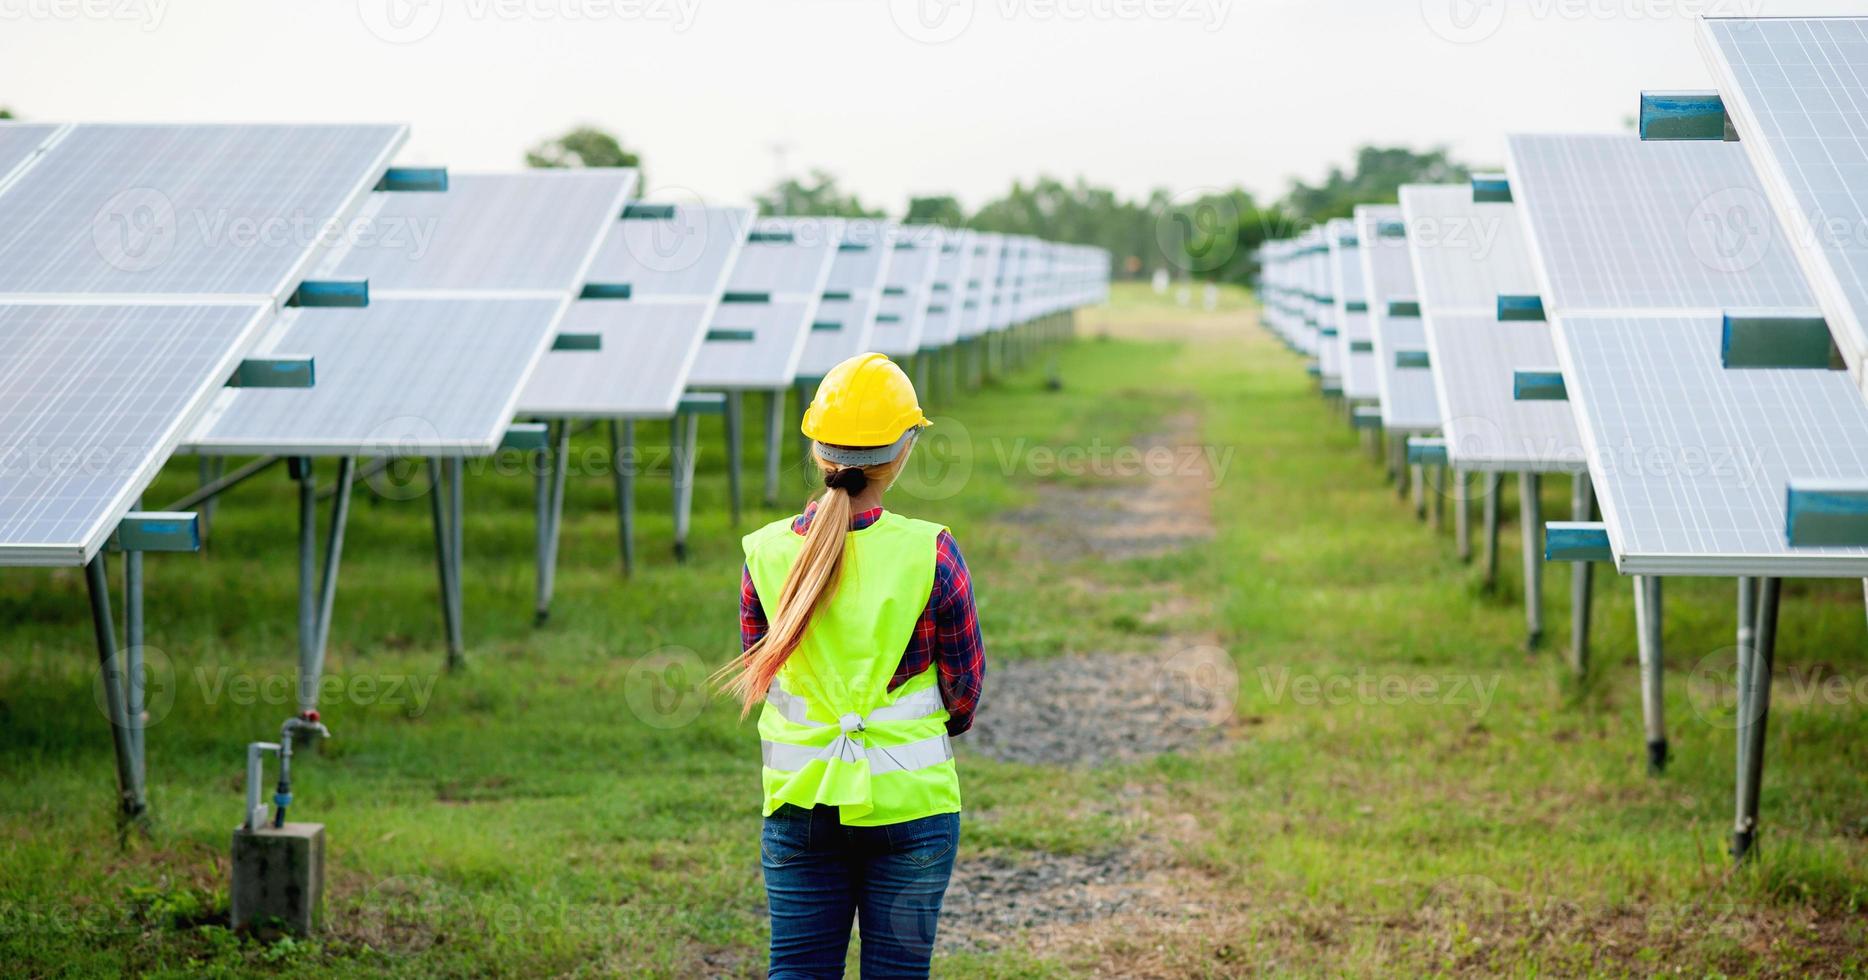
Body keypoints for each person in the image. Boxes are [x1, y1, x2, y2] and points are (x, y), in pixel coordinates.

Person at [722, 352, 985, 978]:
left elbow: (762, 671)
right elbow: (964, 690)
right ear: (902, 454)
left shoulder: (764, 552)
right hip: (911, 807)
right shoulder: (932, 552)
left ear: (817, 449)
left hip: (800, 804)